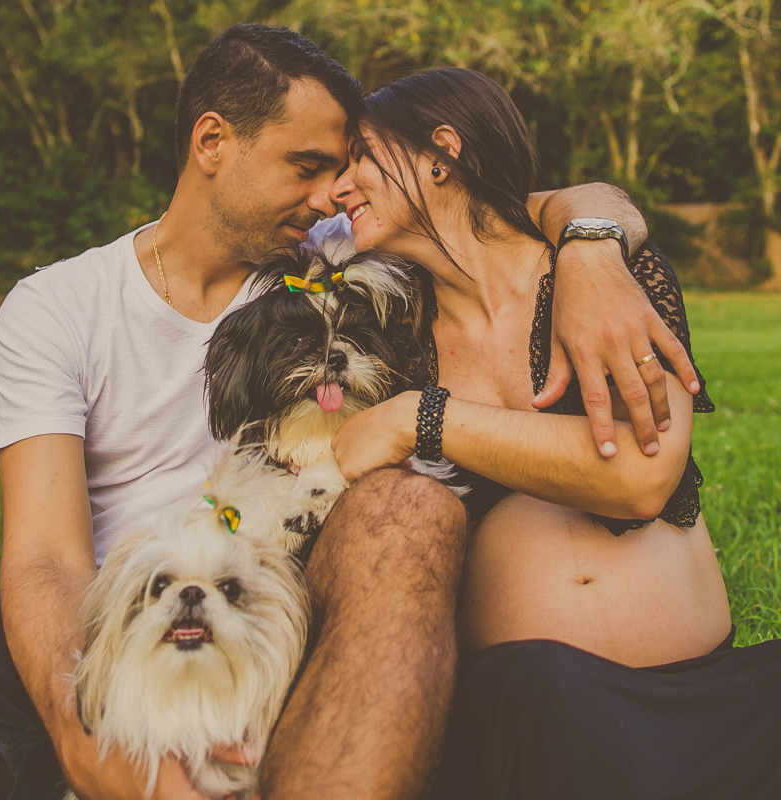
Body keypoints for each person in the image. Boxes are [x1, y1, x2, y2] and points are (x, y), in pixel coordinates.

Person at [0, 26, 697, 800]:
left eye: (345, 169)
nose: (333, 194)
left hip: (287, 590)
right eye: (308, 165)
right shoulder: (55, 306)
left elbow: (495, 211)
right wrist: (78, 718)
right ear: (212, 144)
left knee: (408, 510)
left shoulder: (335, 268)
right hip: (111, 610)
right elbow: (43, 555)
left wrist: (590, 244)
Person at [327, 67, 781, 799]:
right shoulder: (389, 336)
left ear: (441, 154)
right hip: (535, 708)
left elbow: (640, 477)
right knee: (548, 700)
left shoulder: (607, 279)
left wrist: (427, 419)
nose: (337, 188)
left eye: (361, 158)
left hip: (714, 697)